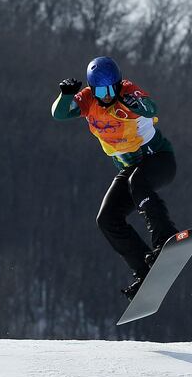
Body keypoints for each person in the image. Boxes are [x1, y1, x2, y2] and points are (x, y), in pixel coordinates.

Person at [51, 56, 181, 300]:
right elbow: (60, 114)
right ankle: (145, 271)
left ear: (119, 83)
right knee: (107, 219)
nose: (108, 94)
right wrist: (66, 95)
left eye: (112, 88)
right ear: (93, 88)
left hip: (159, 159)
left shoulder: (128, 90)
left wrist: (136, 104)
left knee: (138, 183)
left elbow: (152, 108)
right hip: (130, 170)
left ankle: (165, 239)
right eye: (102, 90)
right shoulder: (88, 99)